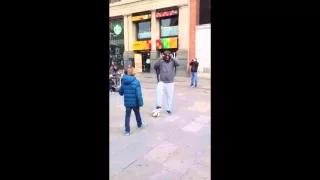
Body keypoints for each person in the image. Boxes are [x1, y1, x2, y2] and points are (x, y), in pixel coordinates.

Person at [119, 67, 145, 136]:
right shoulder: (136, 82)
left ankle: (127, 131)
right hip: (135, 103)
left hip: (127, 103)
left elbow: (120, 92)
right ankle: (139, 125)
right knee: (137, 113)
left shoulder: (124, 81)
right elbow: (138, 93)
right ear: (134, 73)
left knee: (127, 116)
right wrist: (141, 102)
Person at [153, 50, 180, 115]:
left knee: (169, 96)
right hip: (161, 81)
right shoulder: (161, 61)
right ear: (163, 56)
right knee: (158, 92)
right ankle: (159, 105)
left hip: (170, 82)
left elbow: (178, 63)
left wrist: (172, 57)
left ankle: (168, 109)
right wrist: (160, 58)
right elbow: (155, 65)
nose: (167, 57)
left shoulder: (172, 62)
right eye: (166, 55)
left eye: (168, 55)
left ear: (170, 56)